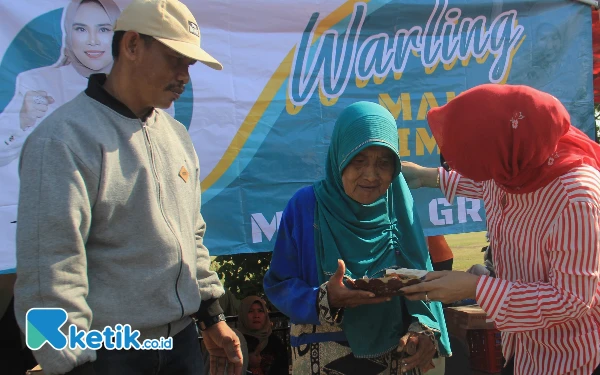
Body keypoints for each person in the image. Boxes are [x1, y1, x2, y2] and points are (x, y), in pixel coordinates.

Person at [13, 1, 242, 374]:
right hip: (106, 354)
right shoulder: (62, 140)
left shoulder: (177, 136)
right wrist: (67, 362)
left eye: (189, 65)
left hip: (181, 346)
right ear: (132, 45)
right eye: (175, 60)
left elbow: (191, 236)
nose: (184, 75)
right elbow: (48, 274)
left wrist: (211, 314)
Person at [400, 84, 600, 375]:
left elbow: (572, 300)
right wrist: (427, 176)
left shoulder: (575, 197)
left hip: (571, 355)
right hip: (523, 347)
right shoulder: (516, 162)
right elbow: (485, 182)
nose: (481, 173)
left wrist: (475, 288)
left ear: (508, 151)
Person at [264, 101, 451, 375]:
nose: (371, 175)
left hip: (396, 358)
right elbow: (279, 285)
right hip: (322, 358)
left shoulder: (398, 205)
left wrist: (422, 329)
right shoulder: (306, 207)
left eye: (383, 163)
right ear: (340, 156)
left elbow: (419, 281)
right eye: (358, 160)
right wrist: (326, 298)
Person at [237, 296, 288, 375]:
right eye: (250, 311)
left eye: (260, 311)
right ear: (243, 314)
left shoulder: (275, 342)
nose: (256, 315)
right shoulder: (236, 341)